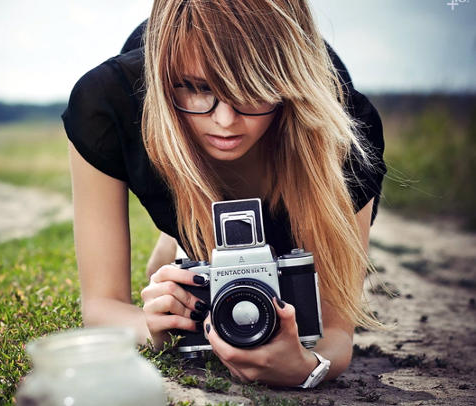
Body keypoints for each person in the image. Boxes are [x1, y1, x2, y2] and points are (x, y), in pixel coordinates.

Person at [62, 0, 386, 388]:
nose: (225, 120)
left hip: (305, 150)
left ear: (285, 85)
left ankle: (190, 239)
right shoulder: (108, 104)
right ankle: (185, 234)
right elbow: (100, 306)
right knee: (183, 265)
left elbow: (335, 335)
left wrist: (303, 366)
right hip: (166, 137)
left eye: (251, 91)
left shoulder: (346, 133)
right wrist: (151, 327)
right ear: (166, 80)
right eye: (198, 89)